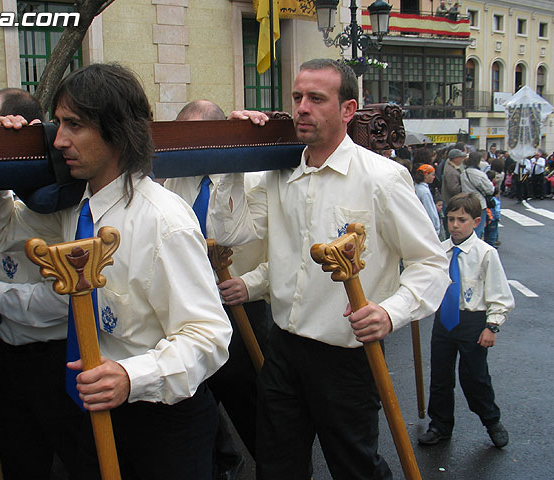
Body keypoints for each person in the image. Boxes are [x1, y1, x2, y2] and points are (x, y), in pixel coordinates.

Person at [0, 63, 232, 479]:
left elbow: (209, 336)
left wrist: (131, 375)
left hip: (163, 421)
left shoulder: (164, 221)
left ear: (118, 131)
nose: (59, 140)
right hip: (96, 414)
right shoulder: (73, 206)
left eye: (75, 125)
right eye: (58, 124)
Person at [210, 58, 449, 479]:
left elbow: (430, 263)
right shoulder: (278, 174)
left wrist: (390, 312)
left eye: (317, 98)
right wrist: (232, 156)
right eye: (298, 97)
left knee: (354, 468)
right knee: (277, 466)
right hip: (282, 348)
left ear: (347, 109)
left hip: (348, 359)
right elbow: (233, 234)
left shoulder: (383, 178)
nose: (302, 107)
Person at [0, 89, 86, 480]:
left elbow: (68, 299)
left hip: (60, 358)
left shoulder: (69, 200)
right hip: (9, 356)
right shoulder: (24, 201)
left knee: (82, 462)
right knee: (16, 463)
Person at [164, 99, 272, 479]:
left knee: (252, 406)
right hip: (187, 310)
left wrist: (251, 283)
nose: (187, 150)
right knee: (195, 396)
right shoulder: (170, 179)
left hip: (242, 310)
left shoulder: (256, 177)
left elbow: (272, 247)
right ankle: (223, 461)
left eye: (197, 140)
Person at [419, 192, 514, 449]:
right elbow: (427, 282)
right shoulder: (440, 251)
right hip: (444, 321)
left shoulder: (485, 254)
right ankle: (440, 425)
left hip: (472, 322)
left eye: (462, 220)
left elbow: (499, 294)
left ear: (476, 221)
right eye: (450, 219)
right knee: (440, 377)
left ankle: (491, 420)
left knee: (474, 377)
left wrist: (492, 325)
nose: (455, 225)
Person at [460, 151, 494, 239]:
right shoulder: (479, 174)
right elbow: (490, 189)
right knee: (478, 228)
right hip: (479, 203)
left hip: (466, 201)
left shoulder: (464, 173)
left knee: (468, 226)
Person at [414, 164, 441, 237]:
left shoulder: (417, 187)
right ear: (426, 175)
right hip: (430, 229)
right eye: (432, 174)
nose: (434, 177)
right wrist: (436, 226)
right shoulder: (424, 192)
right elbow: (430, 210)